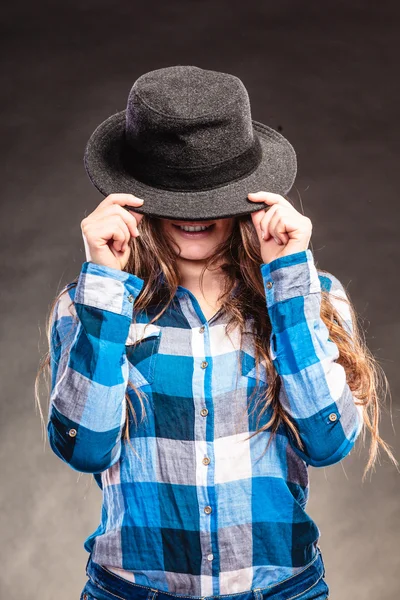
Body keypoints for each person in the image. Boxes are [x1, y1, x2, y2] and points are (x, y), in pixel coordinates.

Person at [36, 66, 397, 600]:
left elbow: (329, 441)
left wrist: (288, 286)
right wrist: (106, 284)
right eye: (176, 190)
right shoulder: (92, 302)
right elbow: (85, 448)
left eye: (210, 190)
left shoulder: (307, 293)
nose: (194, 213)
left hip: (281, 590)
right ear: (135, 193)